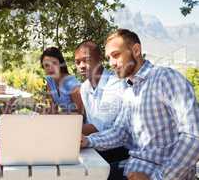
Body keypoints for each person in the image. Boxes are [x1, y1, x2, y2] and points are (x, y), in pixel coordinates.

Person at [81, 29, 199, 180]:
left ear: (136, 50)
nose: (111, 63)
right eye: (108, 58)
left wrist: (158, 177)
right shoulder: (130, 90)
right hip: (132, 166)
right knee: (82, 174)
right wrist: (88, 140)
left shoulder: (166, 78)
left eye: (116, 55)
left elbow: (193, 136)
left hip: (159, 172)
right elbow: (120, 132)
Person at [75, 40, 129, 180]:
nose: (81, 66)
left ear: (99, 59)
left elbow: (99, 126)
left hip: (119, 149)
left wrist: (65, 133)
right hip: (95, 145)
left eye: (85, 60)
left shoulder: (115, 83)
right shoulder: (84, 87)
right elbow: (89, 122)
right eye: (77, 62)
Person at [40, 47, 84, 114]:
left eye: (54, 63)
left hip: (80, 122)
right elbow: (53, 109)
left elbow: (81, 114)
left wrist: (61, 117)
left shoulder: (72, 84)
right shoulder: (49, 81)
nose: (50, 68)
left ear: (60, 64)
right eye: (46, 65)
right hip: (63, 121)